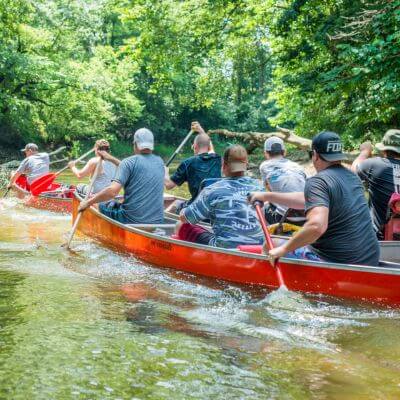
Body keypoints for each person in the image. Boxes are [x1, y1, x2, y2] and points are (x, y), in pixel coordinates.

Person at [249, 131, 380, 266]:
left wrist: (283, 249)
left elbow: (316, 226)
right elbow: (305, 199)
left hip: (336, 261)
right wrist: (266, 196)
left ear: (315, 155)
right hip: (370, 258)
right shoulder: (353, 177)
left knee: (271, 243)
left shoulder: (318, 182)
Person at [177, 145, 265, 249]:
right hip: (258, 247)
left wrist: (182, 210)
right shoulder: (259, 187)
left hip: (224, 248)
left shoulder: (212, 190)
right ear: (246, 165)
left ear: (224, 165)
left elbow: (185, 218)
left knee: (180, 225)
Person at [78, 128, 165, 224]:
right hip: (158, 220)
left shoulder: (129, 162)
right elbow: (129, 167)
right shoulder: (160, 162)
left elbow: (112, 192)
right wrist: (110, 158)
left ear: (135, 144)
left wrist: (88, 202)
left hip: (129, 219)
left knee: (97, 205)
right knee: (118, 203)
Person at [351, 129, 400, 239]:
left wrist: (365, 151)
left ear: (384, 150)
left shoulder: (375, 165)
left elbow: (353, 171)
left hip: (377, 238)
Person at [164, 121, 221, 212]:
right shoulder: (217, 159)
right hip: (214, 207)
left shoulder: (187, 163)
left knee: (174, 205)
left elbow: (168, 185)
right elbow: (209, 145)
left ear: (195, 146)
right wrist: (201, 131)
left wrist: (165, 172)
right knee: (180, 203)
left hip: (198, 208)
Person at [259, 136, 306, 224]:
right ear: (284, 152)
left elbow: (267, 189)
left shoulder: (264, 166)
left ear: (266, 153)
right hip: (306, 214)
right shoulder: (298, 166)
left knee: (260, 207)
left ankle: (269, 235)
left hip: (284, 217)